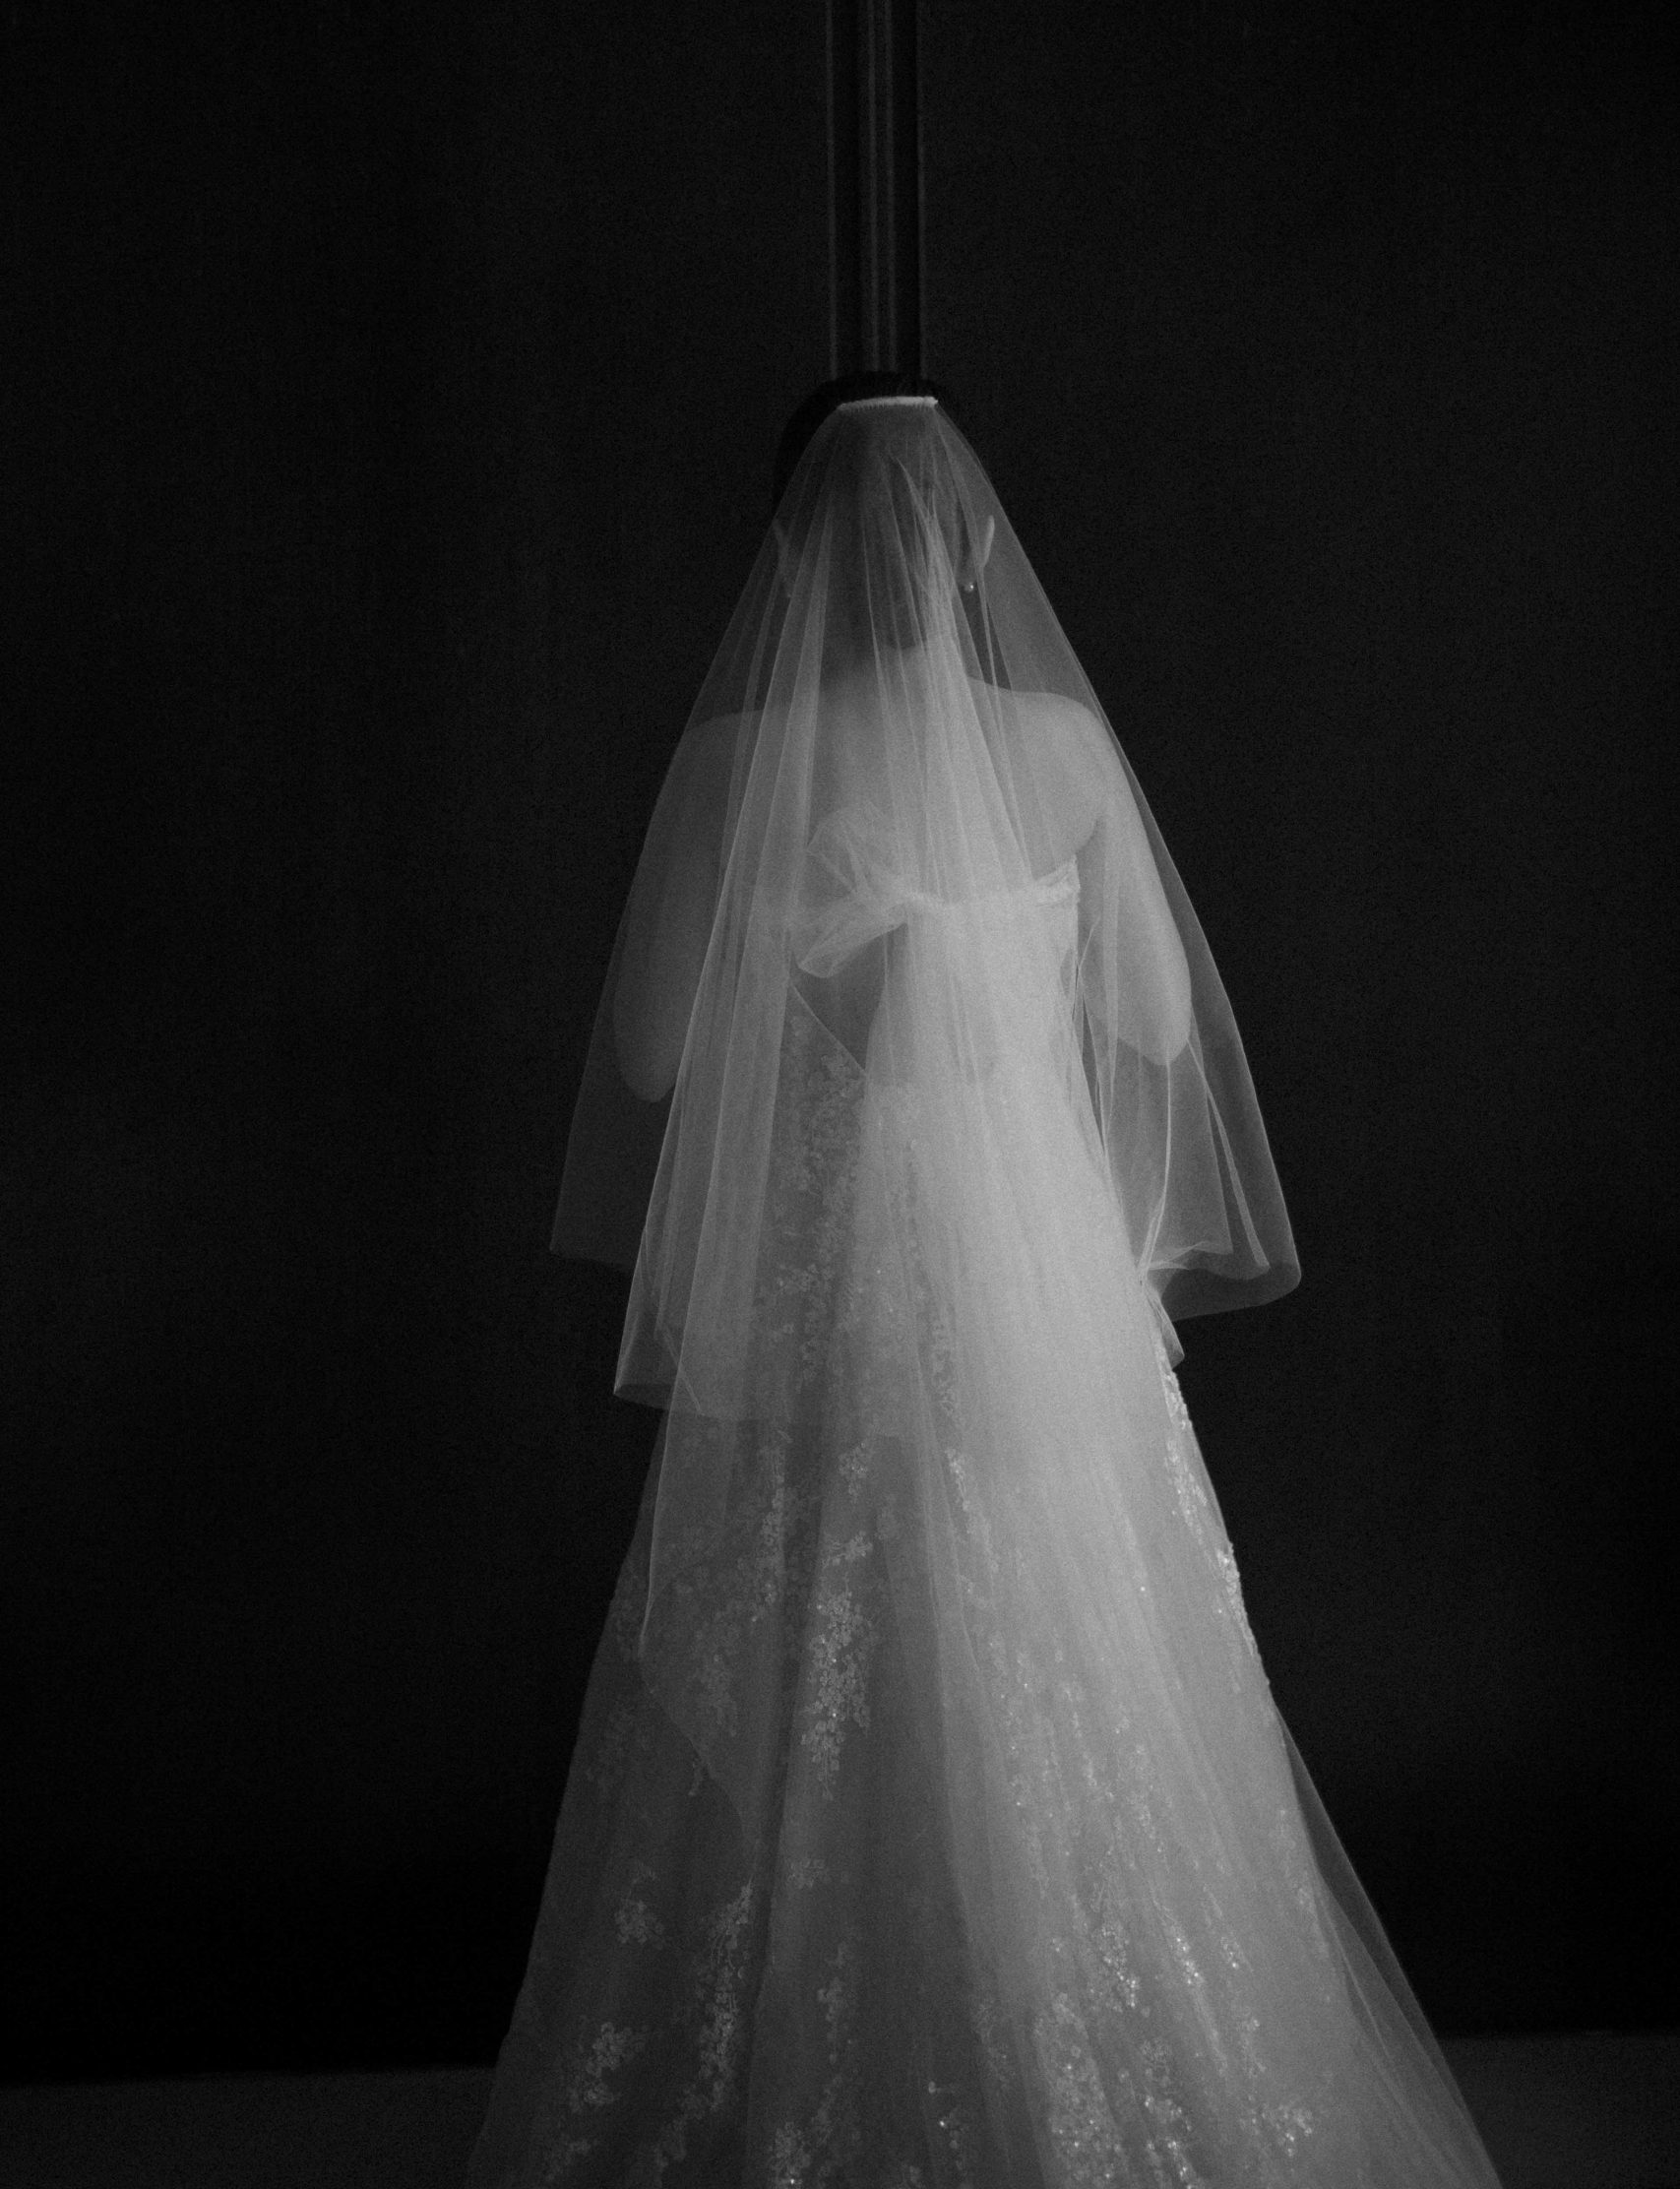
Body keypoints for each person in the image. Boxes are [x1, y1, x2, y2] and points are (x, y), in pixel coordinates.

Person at [467, 381, 1503, 2185]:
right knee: (1081, 1645)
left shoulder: (742, 765)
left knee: (820, 1649)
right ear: (969, 550)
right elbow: (1156, 1027)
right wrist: (1002, 998)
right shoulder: (1065, 751)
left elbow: (643, 1057)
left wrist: (823, 995)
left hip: (834, 1297)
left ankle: (832, 2074)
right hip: (1038, 1300)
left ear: (790, 553)